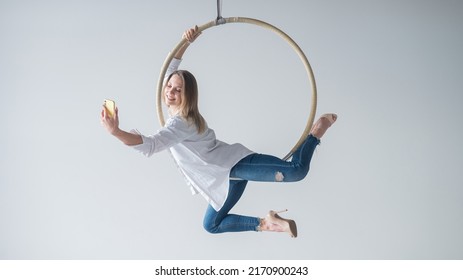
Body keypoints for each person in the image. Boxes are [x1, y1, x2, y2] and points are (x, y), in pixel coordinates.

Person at [101, 26, 337, 238]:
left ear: (188, 95)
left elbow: (151, 145)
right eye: (170, 87)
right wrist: (186, 42)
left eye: (179, 89)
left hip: (236, 164)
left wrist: (116, 132)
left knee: (296, 171)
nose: (171, 91)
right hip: (223, 178)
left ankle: (316, 133)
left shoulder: (181, 123)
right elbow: (169, 71)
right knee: (212, 224)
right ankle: (269, 223)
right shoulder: (176, 115)